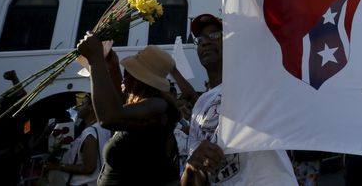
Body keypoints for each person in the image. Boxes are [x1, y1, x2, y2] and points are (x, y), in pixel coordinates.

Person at [181, 13, 297, 186]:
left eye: (214, 35)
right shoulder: (200, 105)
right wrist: (192, 166)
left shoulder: (256, 81)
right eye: (200, 39)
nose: (205, 42)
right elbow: (190, 181)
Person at [77, 38, 181, 185]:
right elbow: (121, 106)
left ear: (139, 80)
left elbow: (109, 117)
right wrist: (112, 68)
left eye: (128, 74)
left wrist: (96, 61)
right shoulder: (146, 106)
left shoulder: (158, 106)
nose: (123, 80)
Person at [47, 93, 111, 186]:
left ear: (91, 107)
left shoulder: (90, 132)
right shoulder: (104, 128)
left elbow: (88, 168)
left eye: (82, 104)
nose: (78, 107)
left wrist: (58, 167)